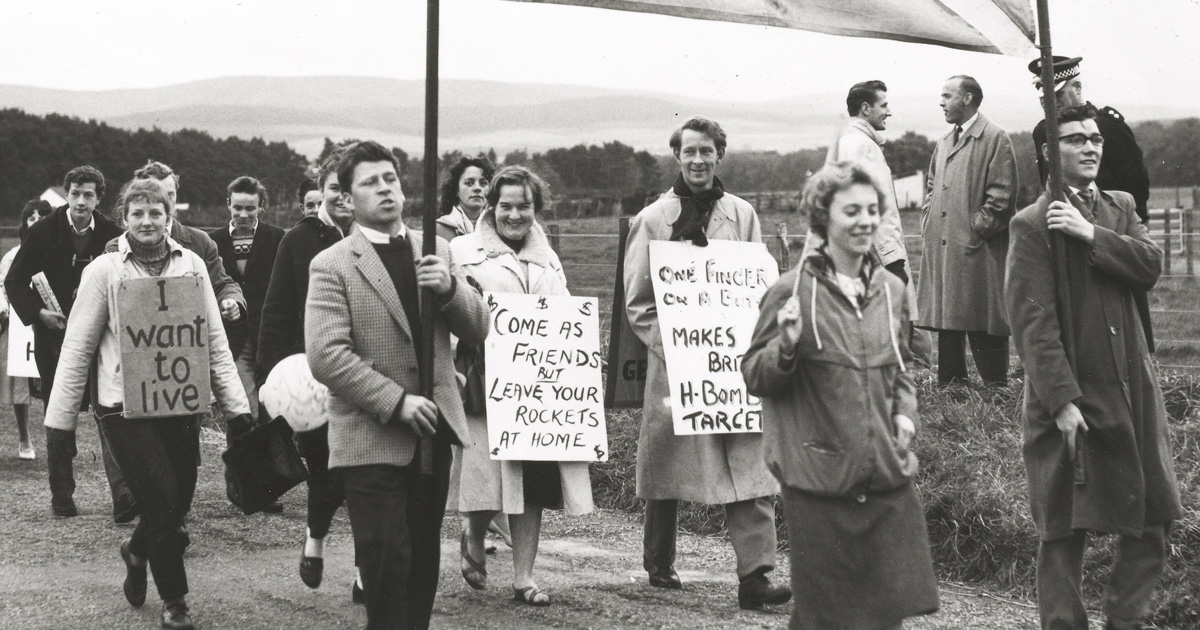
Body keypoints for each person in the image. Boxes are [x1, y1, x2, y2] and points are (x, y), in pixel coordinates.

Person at [43, 178, 252, 630]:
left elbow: (213, 343)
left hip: (179, 403)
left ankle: (136, 552)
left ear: (169, 216)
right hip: (123, 407)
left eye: (155, 212)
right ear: (123, 220)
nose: (147, 221)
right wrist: (58, 424)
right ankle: (175, 602)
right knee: (159, 500)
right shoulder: (104, 271)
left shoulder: (192, 265)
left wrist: (238, 410)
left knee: (177, 503)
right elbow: (77, 348)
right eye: (137, 213)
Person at [1006, 104, 1182, 630]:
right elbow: (1032, 324)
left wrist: (1089, 234)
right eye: (1075, 139)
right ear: (1048, 153)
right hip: (1072, 397)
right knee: (1063, 529)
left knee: (1153, 518)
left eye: (1096, 138)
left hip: (1133, 389)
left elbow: (1149, 266)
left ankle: (1125, 621)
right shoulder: (1032, 223)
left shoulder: (1119, 206)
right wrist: (1060, 401)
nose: (1090, 147)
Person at [742, 162, 939, 630]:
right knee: (826, 616)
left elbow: (901, 369)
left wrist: (905, 418)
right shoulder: (791, 292)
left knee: (886, 608)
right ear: (822, 217)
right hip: (818, 478)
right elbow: (755, 375)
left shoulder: (891, 290)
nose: (865, 221)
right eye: (851, 210)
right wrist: (786, 345)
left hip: (886, 474)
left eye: (873, 210)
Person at [306, 140, 489, 630]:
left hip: (431, 439)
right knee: (386, 564)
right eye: (370, 182)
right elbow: (327, 356)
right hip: (369, 440)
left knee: (422, 566)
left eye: (390, 178)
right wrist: (395, 401)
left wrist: (450, 290)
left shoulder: (437, 250)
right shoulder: (333, 265)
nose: (385, 189)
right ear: (346, 198)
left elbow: (478, 330)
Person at [623, 116, 790, 609]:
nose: (698, 160)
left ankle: (755, 576)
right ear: (677, 156)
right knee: (669, 463)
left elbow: (759, 287)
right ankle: (659, 558)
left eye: (707, 151)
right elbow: (638, 302)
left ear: (720, 155)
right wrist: (673, 344)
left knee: (748, 461)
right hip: (675, 366)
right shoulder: (653, 218)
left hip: (732, 367)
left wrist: (754, 339)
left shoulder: (742, 215)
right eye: (689, 151)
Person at [450, 166, 593, 606]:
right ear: (492, 206)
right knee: (485, 478)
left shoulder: (547, 257)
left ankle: (524, 576)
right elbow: (451, 315)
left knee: (531, 483)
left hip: (537, 387)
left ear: (536, 208)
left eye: (524, 207)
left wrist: (580, 359)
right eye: (506, 206)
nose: (514, 215)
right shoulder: (463, 250)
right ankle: (474, 534)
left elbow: (565, 315)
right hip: (483, 383)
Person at [257, 150, 364, 600]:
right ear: (324, 188)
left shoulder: (376, 238)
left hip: (368, 379)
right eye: (335, 187)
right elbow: (276, 311)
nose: (343, 196)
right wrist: (271, 378)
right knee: (328, 475)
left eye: (350, 187)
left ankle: (365, 572)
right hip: (314, 383)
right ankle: (315, 540)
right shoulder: (298, 241)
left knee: (367, 478)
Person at [5, 166, 125, 518]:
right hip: (55, 339)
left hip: (102, 338)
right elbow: (14, 282)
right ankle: (62, 495)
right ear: (66, 194)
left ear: (98, 199)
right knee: (59, 414)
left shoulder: (113, 234)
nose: (80, 201)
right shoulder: (42, 232)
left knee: (111, 411)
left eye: (89, 195)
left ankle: (123, 495)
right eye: (75, 194)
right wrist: (38, 313)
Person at [1029, 55, 1155, 352]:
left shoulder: (1108, 127)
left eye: (1057, 94)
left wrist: (1117, 236)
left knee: (1127, 331)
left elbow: (1136, 187)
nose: (1050, 101)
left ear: (1077, 87)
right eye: (1045, 95)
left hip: (1110, 236)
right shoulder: (1043, 131)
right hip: (1064, 235)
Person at [916, 75, 1018, 387]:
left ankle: (996, 386)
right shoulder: (945, 141)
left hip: (977, 248)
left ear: (968, 99)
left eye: (948, 96)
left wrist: (976, 229)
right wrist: (929, 220)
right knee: (948, 317)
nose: (942, 102)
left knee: (984, 314)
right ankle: (952, 386)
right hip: (945, 246)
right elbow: (932, 187)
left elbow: (1001, 197)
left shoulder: (995, 138)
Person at [824, 79, 931, 365]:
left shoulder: (855, 142)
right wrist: (891, 259)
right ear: (866, 108)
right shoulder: (860, 146)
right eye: (884, 106)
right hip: (878, 254)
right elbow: (869, 208)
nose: (889, 112)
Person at [209, 175, 285, 419]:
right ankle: (246, 450)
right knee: (243, 405)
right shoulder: (213, 242)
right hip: (234, 334)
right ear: (228, 204)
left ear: (261, 206)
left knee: (273, 403)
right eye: (238, 207)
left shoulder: (277, 238)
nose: (243, 214)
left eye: (250, 208)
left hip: (269, 334)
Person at [0, 199, 53, 460]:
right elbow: (3, 286)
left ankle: (58, 438)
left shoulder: (57, 252)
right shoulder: (13, 255)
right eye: (31, 218)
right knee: (20, 384)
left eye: (42, 218)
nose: (36, 223)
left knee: (53, 384)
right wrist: (4, 309)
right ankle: (24, 439)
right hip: (21, 328)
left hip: (51, 325)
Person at [436, 156, 495, 242]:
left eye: (483, 183)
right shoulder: (439, 229)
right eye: (469, 183)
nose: (477, 188)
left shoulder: (496, 229)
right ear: (456, 190)